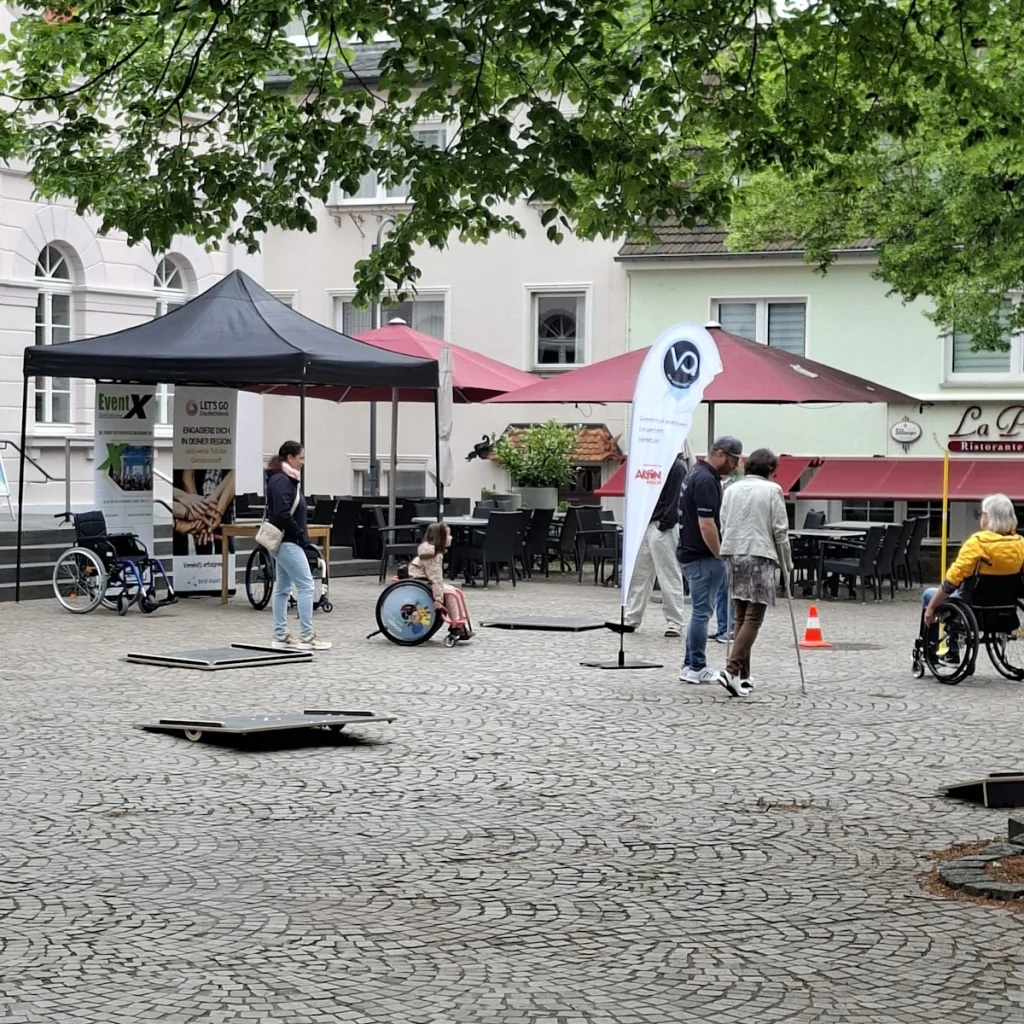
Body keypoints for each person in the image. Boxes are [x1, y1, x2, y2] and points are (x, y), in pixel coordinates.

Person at [719, 448, 793, 697]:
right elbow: (780, 530)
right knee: (753, 617)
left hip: (734, 552)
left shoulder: (731, 489)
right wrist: (787, 563)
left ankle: (743, 675)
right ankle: (731, 670)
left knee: (741, 615)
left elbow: (723, 522)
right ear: (770, 470)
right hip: (759, 554)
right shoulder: (772, 490)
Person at [677, 436, 742, 684]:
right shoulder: (706, 480)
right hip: (702, 555)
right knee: (702, 613)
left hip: (690, 552)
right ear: (721, 454)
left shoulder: (696, 472)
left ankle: (689, 664)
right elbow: (706, 524)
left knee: (699, 612)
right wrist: (720, 554)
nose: (735, 466)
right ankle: (697, 666)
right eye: (734, 460)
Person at [265, 441, 332, 651]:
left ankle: (280, 635)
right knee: (306, 585)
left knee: (283, 588)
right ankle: (306, 635)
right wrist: (301, 536)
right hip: (288, 541)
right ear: (290, 457)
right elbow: (282, 513)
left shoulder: (284, 479)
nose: (303, 462)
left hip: (286, 541)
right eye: (301, 458)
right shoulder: (282, 480)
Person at [922, 493, 1024, 630]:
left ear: (987, 518)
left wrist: (931, 607)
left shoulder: (977, 543)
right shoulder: (1020, 544)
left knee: (928, 594)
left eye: (981, 514)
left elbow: (951, 581)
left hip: (972, 604)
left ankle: (930, 640)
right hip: (1006, 606)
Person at [623, 451, 688, 636]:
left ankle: (674, 622)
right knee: (641, 574)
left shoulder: (675, 467)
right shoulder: (659, 465)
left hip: (661, 525)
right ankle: (632, 617)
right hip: (650, 523)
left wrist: (665, 523)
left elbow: (675, 500)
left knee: (667, 573)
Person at [409, 522, 474, 641]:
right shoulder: (433, 556)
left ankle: (459, 623)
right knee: (451, 593)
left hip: (423, 581)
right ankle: (456, 625)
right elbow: (436, 579)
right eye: (448, 535)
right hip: (421, 583)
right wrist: (438, 600)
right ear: (440, 538)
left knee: (455, 591)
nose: (451, 537)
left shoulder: (431, 552)